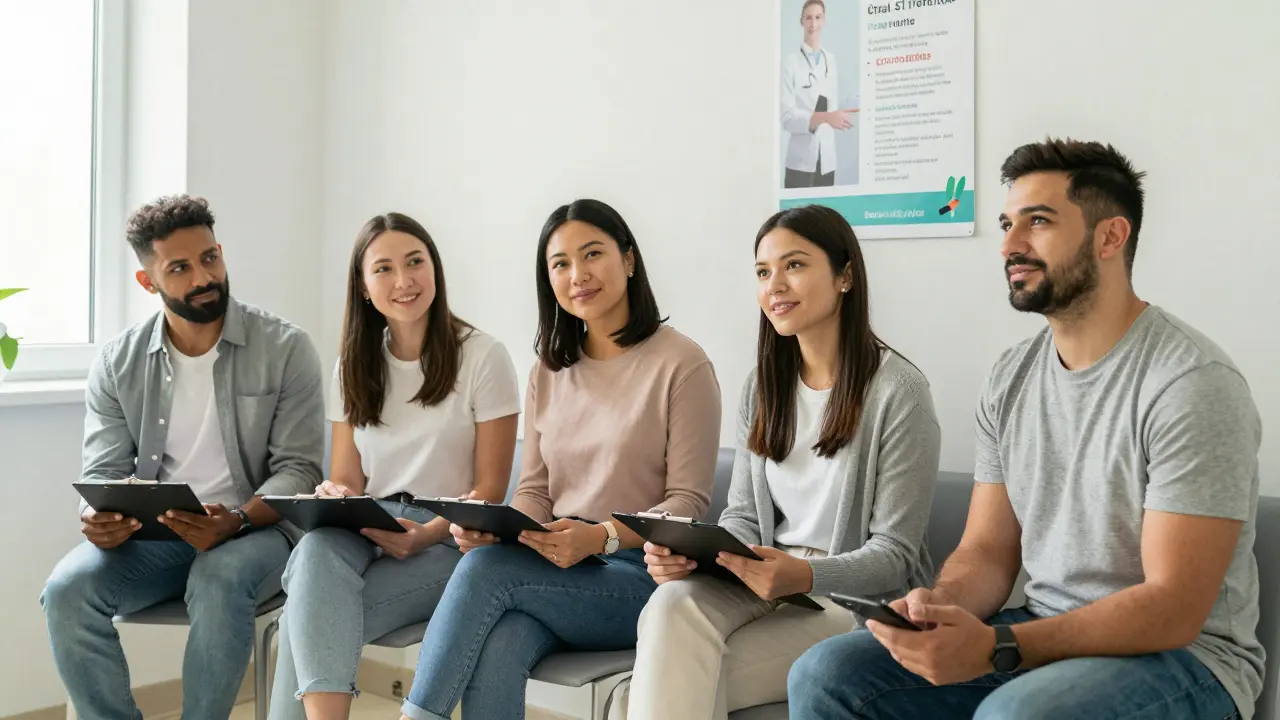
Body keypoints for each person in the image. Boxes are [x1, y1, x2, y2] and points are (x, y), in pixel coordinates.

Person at [788, 138, 1265, 720]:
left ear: (1111, 236)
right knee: (828, 672)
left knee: (1018, 714)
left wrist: (1000, 646)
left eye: (1038, 222)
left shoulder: (1191, 383)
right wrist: (937, 608)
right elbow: (988, 552)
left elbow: (1173, 608)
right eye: (1007, 224)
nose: (1010, 246)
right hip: (1043, 632)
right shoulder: (1012, 376)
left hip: (1186, 661)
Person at [398, 198, 723, 720]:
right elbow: (535, 490)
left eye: (592, 254)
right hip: (556, 568)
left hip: (640, 577)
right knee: (502, 639)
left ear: (629, 259)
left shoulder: (682, 364)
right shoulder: (547, 371)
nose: (578, 275)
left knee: (484, 571)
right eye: (561, 264)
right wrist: (500, 527)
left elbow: (687, 505)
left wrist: (600, 537)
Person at [618, 205, 942, 719]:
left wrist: (805, 576)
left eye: (794, 265)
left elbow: (895, 556)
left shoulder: (899, 392)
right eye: (763, 272)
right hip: (766, 581)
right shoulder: (762, 386)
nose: (775, 285)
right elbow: (744, 515)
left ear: (845, 276)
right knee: (672, 602)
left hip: (849, 603)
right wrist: (699, 556)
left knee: (649, 690)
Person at [40, 195, 326, 720]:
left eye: (210, 258)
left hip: (259, 532)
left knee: (218, 578)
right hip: (161, 538)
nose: (203, 276)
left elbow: (301, 470)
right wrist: (97, 517)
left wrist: (237, 520)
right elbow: (102, 472)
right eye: (180, 268)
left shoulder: (286, 348)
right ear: (148, 282)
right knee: (66, 591)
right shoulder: (117, 362)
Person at [268, 213, 521, 719]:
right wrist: (333, 497)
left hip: (450, 539)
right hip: (368, 524)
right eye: (383, 268)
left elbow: (489, 491)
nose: (403, 281)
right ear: (363, 287)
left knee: (312, 613)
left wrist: (423, 536)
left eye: (414, 263)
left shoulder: (483, 357)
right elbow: (347, 478)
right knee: (316, 549)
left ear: (435, 270)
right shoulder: (353, 364)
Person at [781, 0, 858, 189]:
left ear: (824, 21)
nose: (813, 24)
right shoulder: (790, 63)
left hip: (827, 160)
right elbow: (787, 118)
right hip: (800, 162)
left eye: (817, 17)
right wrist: (827, 117)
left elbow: (831, 105)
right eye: (808, 18)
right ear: (801, 22)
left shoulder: (830, 60)